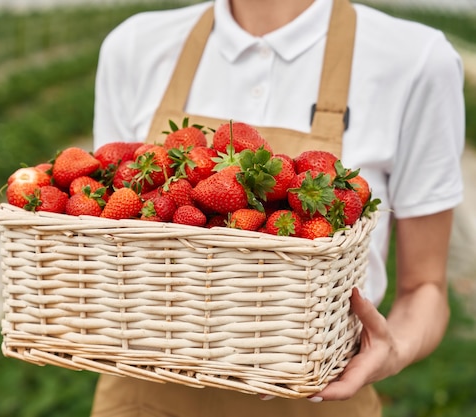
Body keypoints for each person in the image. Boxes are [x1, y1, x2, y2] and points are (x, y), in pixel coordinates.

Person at [90, 0, 465, 415]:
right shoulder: (134, 45)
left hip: (318, 397)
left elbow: (424, 288)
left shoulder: (416, 59)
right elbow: (103, 222)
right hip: (143, 394)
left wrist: (394, 350)